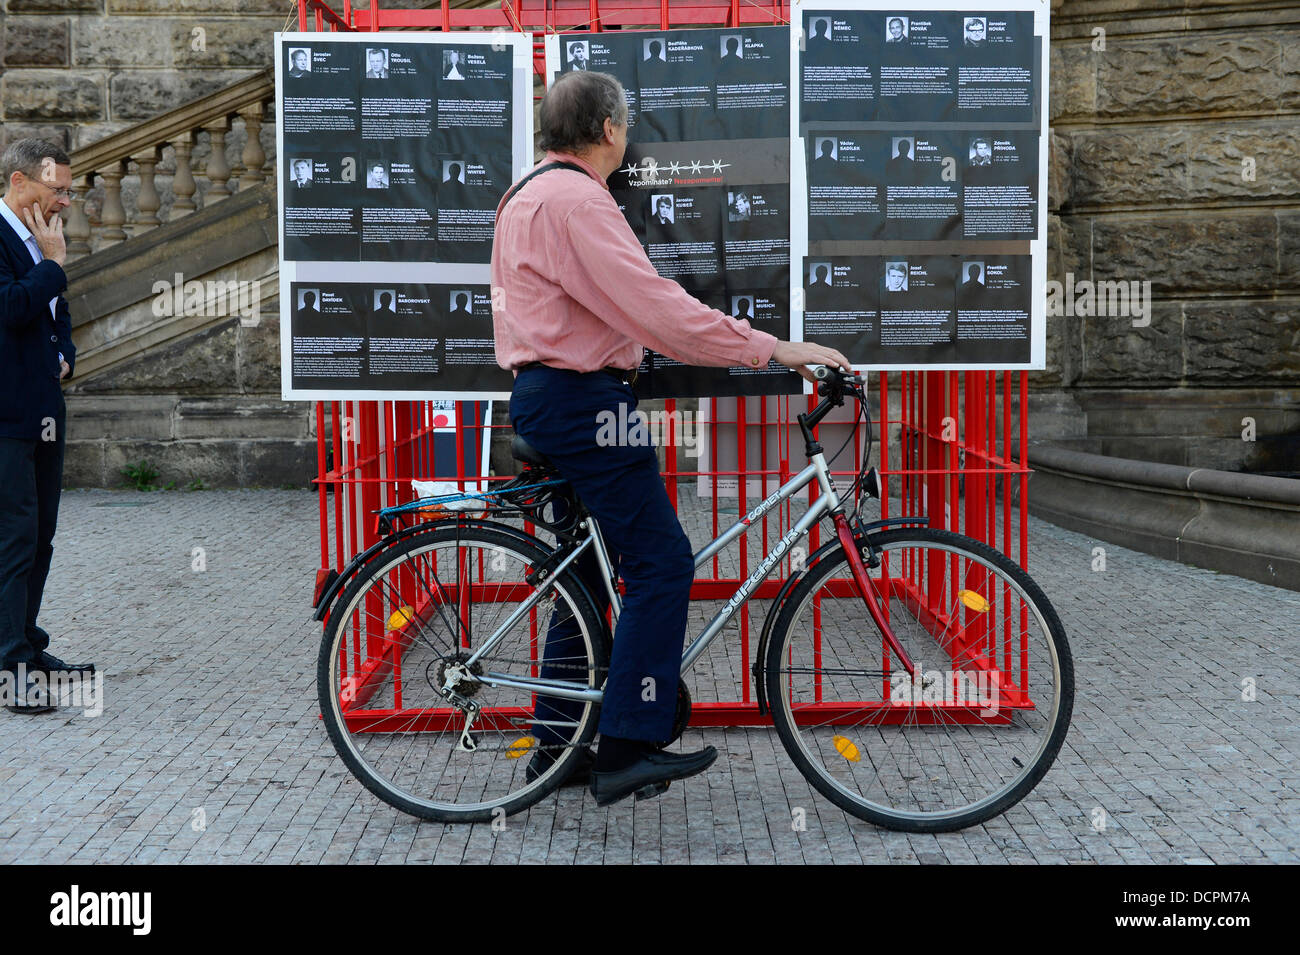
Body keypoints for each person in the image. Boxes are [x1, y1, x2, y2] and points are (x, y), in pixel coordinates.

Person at [490, 71, 849, 807]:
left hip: (547, 397)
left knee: (582, 581)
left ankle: (559, 748)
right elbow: (658, 311)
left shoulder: (526, 194)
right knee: (662, 563)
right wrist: (771, 348)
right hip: (583, 402)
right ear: (612, 130)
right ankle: (627, 744)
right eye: (626, 123)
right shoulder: (578, 201)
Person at [0, 139, 95, 715]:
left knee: (41, 537)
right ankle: (12, 669)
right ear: (19, 182)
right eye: (56, 189)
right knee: (13, 541)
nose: (64, 200)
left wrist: (66, 353)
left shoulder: (42, 238)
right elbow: (10, 307)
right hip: (6, 418)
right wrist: (53, 264)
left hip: (44, 414)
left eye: (67, 190)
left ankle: (29, 646)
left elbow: (57, 318)